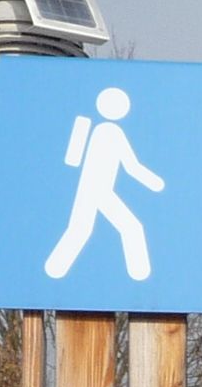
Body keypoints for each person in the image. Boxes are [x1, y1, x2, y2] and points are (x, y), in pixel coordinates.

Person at [43, 85, 164, 282]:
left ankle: (54, 270)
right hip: (98, 191)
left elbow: (74, 160)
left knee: (81, 230)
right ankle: (140, 274)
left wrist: (153, 182)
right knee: (130, 227)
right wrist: (156, 184)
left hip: (91, 190)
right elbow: (131, 166)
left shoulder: (101, 130)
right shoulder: (111, 132)